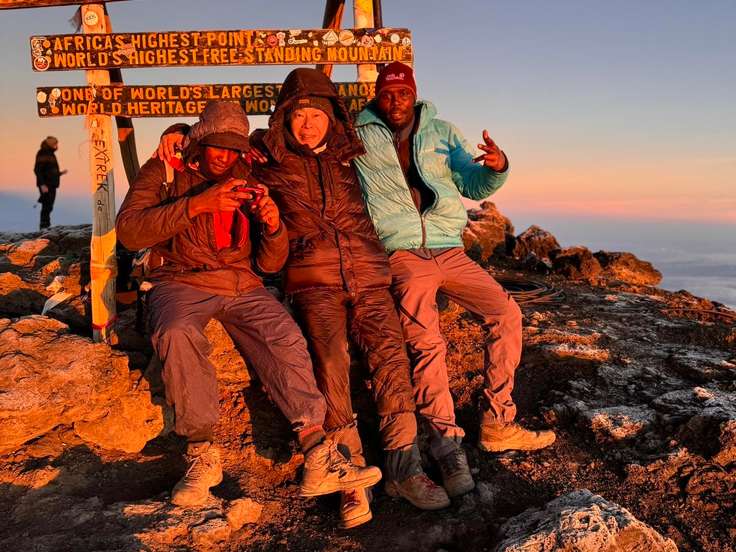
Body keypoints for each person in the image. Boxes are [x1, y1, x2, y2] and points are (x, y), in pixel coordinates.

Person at [157, 70, 453, 528]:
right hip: (313, 279)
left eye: (317, 115)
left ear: (332, 116)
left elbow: (403, 139)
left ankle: (405, 468)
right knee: (330, 362)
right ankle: (349, 474)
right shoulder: (265, 156)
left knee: (392, 360)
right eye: (299, 115)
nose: (308, 124)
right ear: (284, 119)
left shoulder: (354, 153)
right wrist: (179, 132)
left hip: (369, 274)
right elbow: (220, 147)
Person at [117, 100, 381, 510]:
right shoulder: (166, 169)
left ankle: (317, 452)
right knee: (175, 332)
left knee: (283, 335)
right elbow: (130, 231)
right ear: (199, 139)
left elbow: (270, 263)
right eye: (217, 146)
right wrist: (197, 205)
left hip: (241, 282)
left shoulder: (248, 174)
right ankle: (201, 455)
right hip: (179, 279)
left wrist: (273, 226)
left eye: (233, 148)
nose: (225, 156)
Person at [352, 62, 556, 482]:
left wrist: (496, 166)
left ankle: (498, 421)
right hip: (401, 252)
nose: (395, 101)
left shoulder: (442, 131)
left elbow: (472, 185)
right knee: (427, 344)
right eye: (387, 94)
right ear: (377, 96)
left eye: (403, 93)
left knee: (506, 313)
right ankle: (446, 443)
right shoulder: (358, 133)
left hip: (449, 248)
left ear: (414, 94)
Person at [34, 136, 66, 230]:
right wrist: (42, 184)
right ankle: (44, 227)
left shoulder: (50, 154)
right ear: (50, 144)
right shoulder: (43, 153)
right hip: (46, 185)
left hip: (51, 184)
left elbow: (49, 171)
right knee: (47, 206)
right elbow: (37, 170)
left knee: (49, 206)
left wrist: (60, 173)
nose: (57, 145)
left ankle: (46, 227)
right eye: (55, 144)